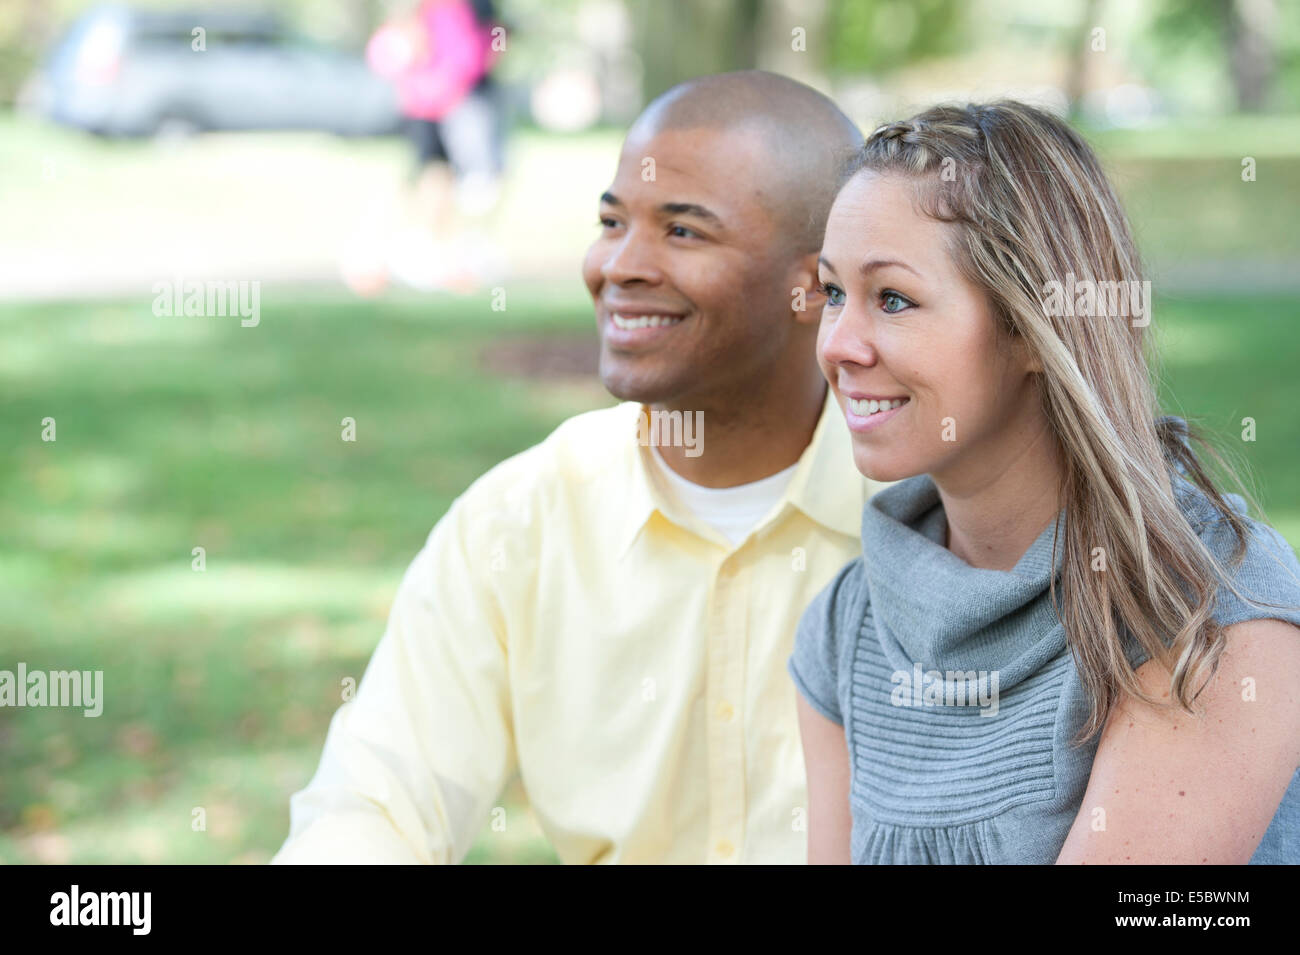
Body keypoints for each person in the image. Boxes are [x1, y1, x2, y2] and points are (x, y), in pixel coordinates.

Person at [274, 71, 879, 864]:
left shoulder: (932, 514)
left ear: (814, 286)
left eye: (683, 232)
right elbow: (377, 803)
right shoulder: (520, 520)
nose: (618, 266)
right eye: (611, 221)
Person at [790, 100, 1300, 864]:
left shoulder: (1203, 601)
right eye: (833, 293)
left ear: (1034, 327)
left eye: (892, 298)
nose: (839, 344)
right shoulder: (847, 626)